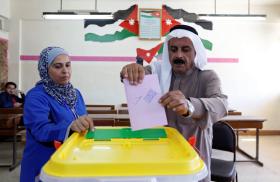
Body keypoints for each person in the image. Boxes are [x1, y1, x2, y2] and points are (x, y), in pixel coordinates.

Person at [120, 25, 228, 182]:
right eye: (173, 49)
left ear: (196, 51)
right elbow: (138, 76)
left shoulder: (207, 77)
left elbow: (221, 104)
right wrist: (130, 71)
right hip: (160, 151)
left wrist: (189, 106)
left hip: (194, 152)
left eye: (185, 49)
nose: (179, 55)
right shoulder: (157, 72)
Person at [20, 47, 94, 182]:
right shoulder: (36, 96)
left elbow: (81, 120)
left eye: (68, 65)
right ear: (45, 69)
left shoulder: (75, 93)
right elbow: (40, 129)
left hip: (70, 160)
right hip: (44, 163)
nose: (65, 71)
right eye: (57, 66)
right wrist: (70, 127)